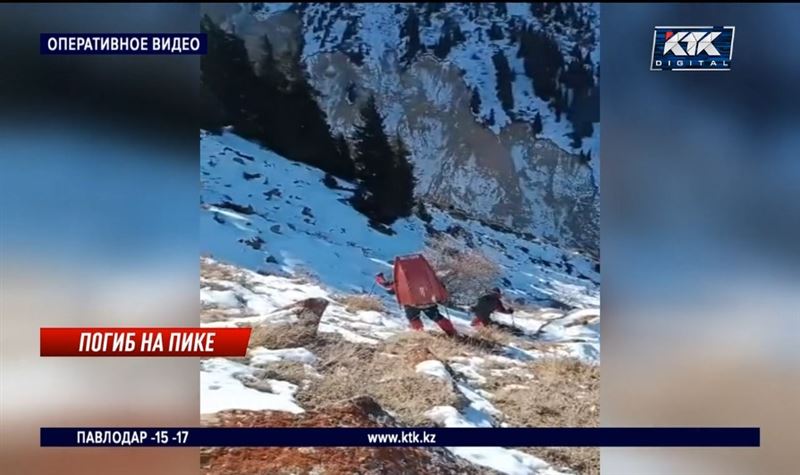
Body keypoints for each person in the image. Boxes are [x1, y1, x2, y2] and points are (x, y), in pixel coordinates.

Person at [375, 272, 458, 336]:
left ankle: (419, 334)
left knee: (413, 318)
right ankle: (452, 332)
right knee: (437, 317)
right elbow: (440, 286)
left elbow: (389, 289)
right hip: (428, 302)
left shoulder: (401, 280)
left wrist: (379, 278)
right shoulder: (427, 276)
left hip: (412, 304)